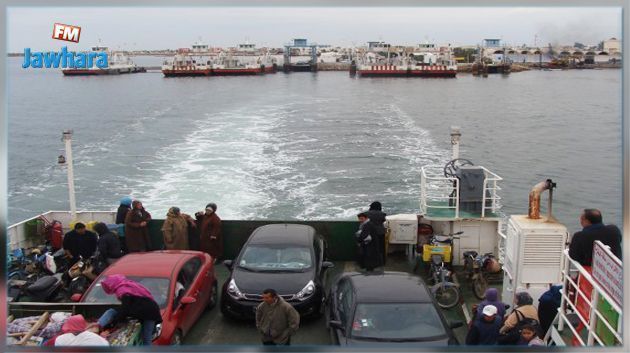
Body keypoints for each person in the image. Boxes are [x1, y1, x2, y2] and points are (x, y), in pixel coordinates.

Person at [97, 275, 162, 346]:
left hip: (149, 313)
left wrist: (111, 324)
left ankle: (97, 326)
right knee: (146, 338)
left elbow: (125, 309)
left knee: (146, 338)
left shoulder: (123, 290)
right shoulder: (129, 285)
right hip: (151, 311)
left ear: (112, 284)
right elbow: (130, 306)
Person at [365, 201, 387, 265]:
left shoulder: (365, 214)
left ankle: (369, 262)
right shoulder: (382, 214)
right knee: (381, 248)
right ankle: (382, 262)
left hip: (369, 233)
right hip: (380, 233)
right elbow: (383, 220)